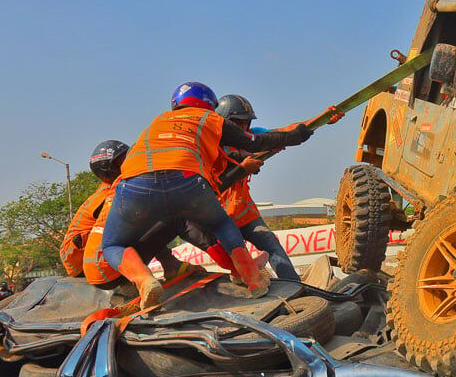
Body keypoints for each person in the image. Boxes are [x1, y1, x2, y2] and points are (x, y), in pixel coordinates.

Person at [99, 82, 313, 308]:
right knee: (222, 224)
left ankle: (144, 279)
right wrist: (298, 136)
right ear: (212, 106)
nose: (243, 126)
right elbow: (255, 143)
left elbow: (273, 133)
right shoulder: (210, 121)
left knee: (112, 245)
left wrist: (310, 124)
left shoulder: (157, 122)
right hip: (187, 183)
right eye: (239, 123)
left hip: (135, 186)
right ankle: (253, 278)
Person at [62, 141, 191, 289]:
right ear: (108, 168)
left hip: (86, 260)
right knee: (170, 219)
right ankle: (170, 266)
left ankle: (164, 267)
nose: (129, 161)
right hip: (82, 261)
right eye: (123, 159)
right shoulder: (115, 191)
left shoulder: (108, 189)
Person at [202, 94, 300, 281]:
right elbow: (212, 186)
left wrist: (322, 120)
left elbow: (284, 131)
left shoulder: (251, 138)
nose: (241, 128)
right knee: (242, 267)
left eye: (244, 124)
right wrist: (242, 168)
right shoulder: (211, 148)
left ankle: (294, 286)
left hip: (245, 213)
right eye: (236, 123)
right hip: (221, 219)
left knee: (271, 244)